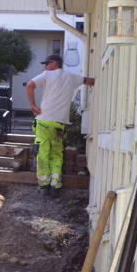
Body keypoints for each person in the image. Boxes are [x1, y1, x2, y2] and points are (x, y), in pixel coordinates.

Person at [25, 53, 95, 197]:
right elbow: (90, 81)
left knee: (43, 152)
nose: (46, 67)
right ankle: (55, 185)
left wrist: (33, 105)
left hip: (44, 121)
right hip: (59, 124)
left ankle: (44, 185)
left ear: (54, 63)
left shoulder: (47, 75)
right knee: (57, 153)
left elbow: (30, 85)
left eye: (47, 64)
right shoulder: (72, 77)